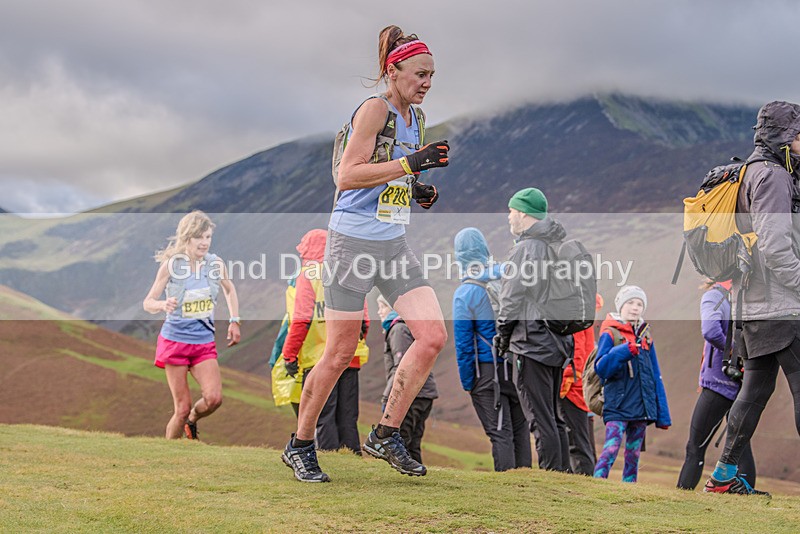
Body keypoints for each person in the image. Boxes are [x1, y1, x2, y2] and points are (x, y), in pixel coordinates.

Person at [282, 25, 451, 482]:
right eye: (420, 74)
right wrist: (412, 165)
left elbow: (393, 176)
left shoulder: (417, 118)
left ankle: (384, 433)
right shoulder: (375, 110)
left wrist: (418, 189)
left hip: (393, 243)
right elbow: (348, 176)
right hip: (352, 244)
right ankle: (300, 445)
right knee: (338, 352)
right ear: (393, 72)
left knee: (432, 336)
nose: (427, 83)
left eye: (432, 75)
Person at [705, 101, 800, 496]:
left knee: (756, 390)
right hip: (783, 303)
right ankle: (724, 477)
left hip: (754, 303)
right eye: (799, 134)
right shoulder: (774, 177)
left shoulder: (749, 172)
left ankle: (724, 477)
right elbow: (776, 245)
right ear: (784, 136)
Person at [493, 188, 573, 472]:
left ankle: (551, 482)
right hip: (557, 341)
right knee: (554, 416)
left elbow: (511, 298)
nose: (509, 217)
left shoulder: (526, 248)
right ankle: (563, 478)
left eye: (512, 211)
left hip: (531, 343)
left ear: (524, 214)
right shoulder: (555, 245)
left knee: (540, 419)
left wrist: (502, 337)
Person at [143, 210, 241, 440]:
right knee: (181, 408)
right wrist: (162, 304)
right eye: (200, 237)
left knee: (214, 399)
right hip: (174, 342)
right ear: (187, 237)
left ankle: (193, 421)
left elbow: (229, 289)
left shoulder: (215, 263)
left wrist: (234, 320)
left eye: (208, 237)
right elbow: (147, 302)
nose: (204, 242)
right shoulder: (171, 266)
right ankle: (170, 458)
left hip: (202, 342)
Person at [272, 229, 369, 456]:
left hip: (319, 359)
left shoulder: (308, 274)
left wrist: (289, 354)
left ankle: (328, 459)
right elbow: (364, 318)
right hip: (350, 356)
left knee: (323, 416)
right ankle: (353, 458)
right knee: (348, 416)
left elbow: (302, 319)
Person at [452, 227, 531, 471]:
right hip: (515, 366)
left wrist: (468, 382)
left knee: (500, 433)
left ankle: (508, 492)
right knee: (520, 429)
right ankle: (528, 488)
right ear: (485, 250)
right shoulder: (504, 280)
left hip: (486, 373)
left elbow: (464, 345)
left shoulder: (465, 293)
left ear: (459, 257)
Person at [677, 280, 756, 490]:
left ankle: (682, 495)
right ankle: (746, 499)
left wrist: (732, 353)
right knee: (740, 447)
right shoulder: (746, 297)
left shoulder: (715, 296)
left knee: (695, 446)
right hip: (743, 385)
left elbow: (711, 331)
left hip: (718, 384)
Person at [593, 286, 670, 483]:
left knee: (633, 455)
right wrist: (625, 351)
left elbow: (655, 375)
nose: (635, 308)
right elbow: (601, 367)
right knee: (610, 449)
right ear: (621, 305)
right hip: (617, 406)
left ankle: (629, 490)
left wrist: (662, 414)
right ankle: (597, 484)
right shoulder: (610, 334)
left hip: (641, 407)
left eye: (639, 304)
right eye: (630, 303)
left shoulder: (646, 336)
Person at [377, 295, 438, 463]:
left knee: (401, 441)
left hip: (412, 394)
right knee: (413, 443)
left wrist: (388, 396)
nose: (379, 312)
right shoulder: (411, 327)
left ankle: (403, 477)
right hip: (424, 392)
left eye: (382, 307)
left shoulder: (399, 329)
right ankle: (417, 477)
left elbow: (401, 367)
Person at [559, 296, 602, 476]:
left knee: (577, 444)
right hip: (581, 385)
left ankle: (584, 486)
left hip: (572, 387)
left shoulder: (576, 311)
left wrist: (566, 380)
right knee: (584, 442)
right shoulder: (585, 311)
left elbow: (577, 351)